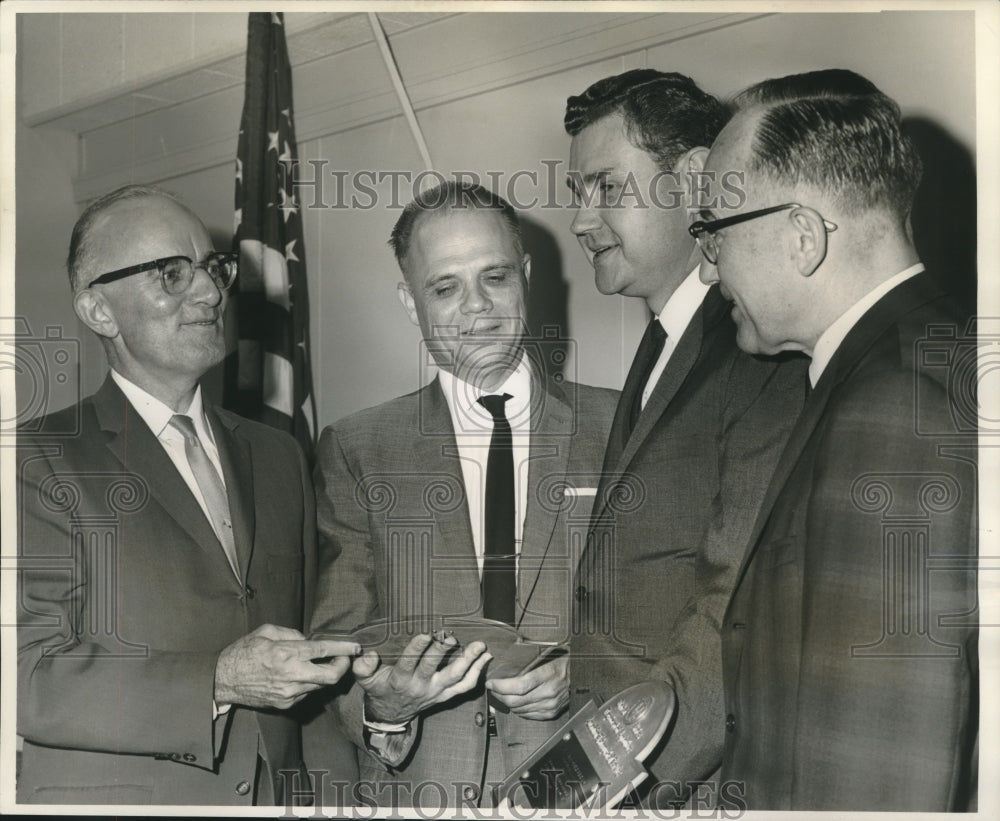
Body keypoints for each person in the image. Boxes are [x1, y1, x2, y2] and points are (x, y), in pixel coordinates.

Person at [16, 185, 359, 805]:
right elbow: (26, 676)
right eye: (171, 273)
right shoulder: (36, 459)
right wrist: (220, 679)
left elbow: (310, 676)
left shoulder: (278, 455)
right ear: (99, 311)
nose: (209, 293)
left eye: (212, 269)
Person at [691, 68, 978, 810]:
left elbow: (882, 749)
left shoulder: (895, 402)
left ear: (803, 235)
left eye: (713, 231)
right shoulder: (925, 359)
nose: (705, 264)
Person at [309, 181, 618, 810]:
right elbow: (339, 640)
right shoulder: (355, 447)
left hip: (589, 788)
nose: (476, 307)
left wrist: (588, 673)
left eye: (495, 277)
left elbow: (673, 616)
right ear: (408, 301)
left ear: (526, 276)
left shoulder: (623, 428)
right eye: (445, 287)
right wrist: (384, 708)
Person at [563, 68, 807, 807]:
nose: (580, 220)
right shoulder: (664, 342)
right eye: (579, 194)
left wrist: (606, 787)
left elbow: (733, 613)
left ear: (694, 177)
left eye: (607, 186)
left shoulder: (758, 346)